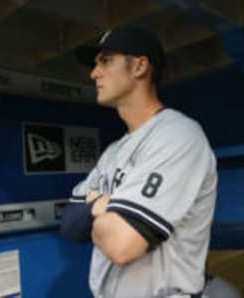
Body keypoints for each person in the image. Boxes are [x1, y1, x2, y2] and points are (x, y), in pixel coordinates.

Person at [60, 26, 217, 298]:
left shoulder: (178, 135)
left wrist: (93, 204)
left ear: (139, 67)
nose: (94, 73)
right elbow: (69, 222)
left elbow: (122, 245)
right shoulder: (112, 152)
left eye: (106, 61)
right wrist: (102, 207)